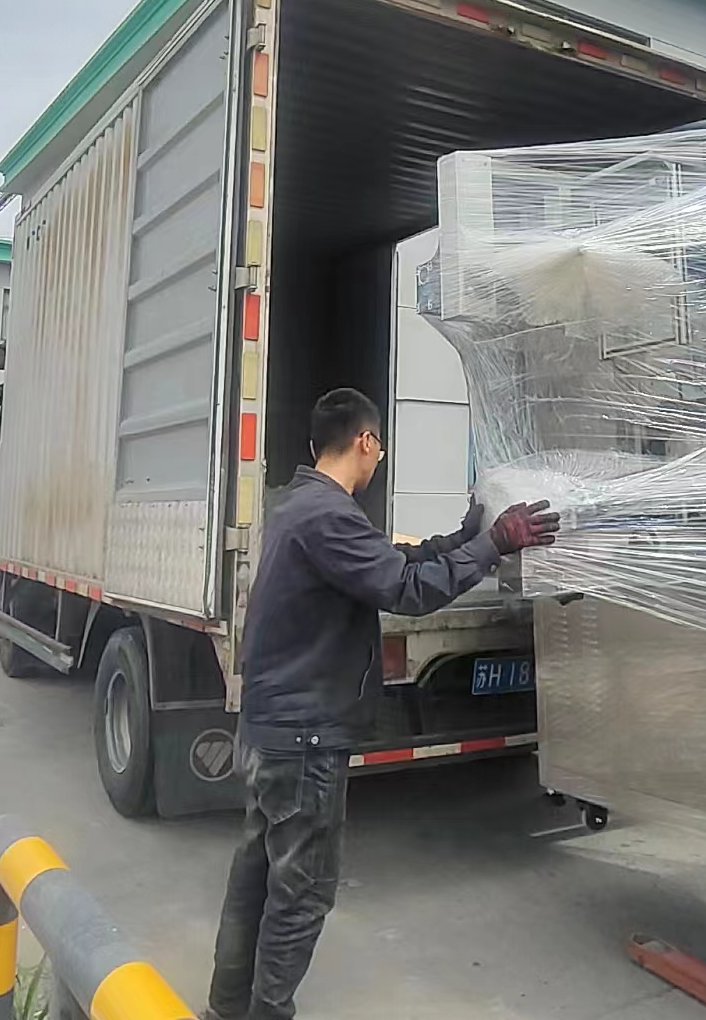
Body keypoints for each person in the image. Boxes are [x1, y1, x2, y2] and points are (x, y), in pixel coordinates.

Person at [204, 388, 559, 1020]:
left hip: (271, 729)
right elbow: (405, 589)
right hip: (304, 738)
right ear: (366, 442)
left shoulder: (302, 505)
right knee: (301, 894)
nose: (380, 457)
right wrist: (496, 545)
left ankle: (226, 1008)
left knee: (256, 877)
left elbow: (390, 560)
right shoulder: (328, 515)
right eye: (380, 447)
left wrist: (466, 538)